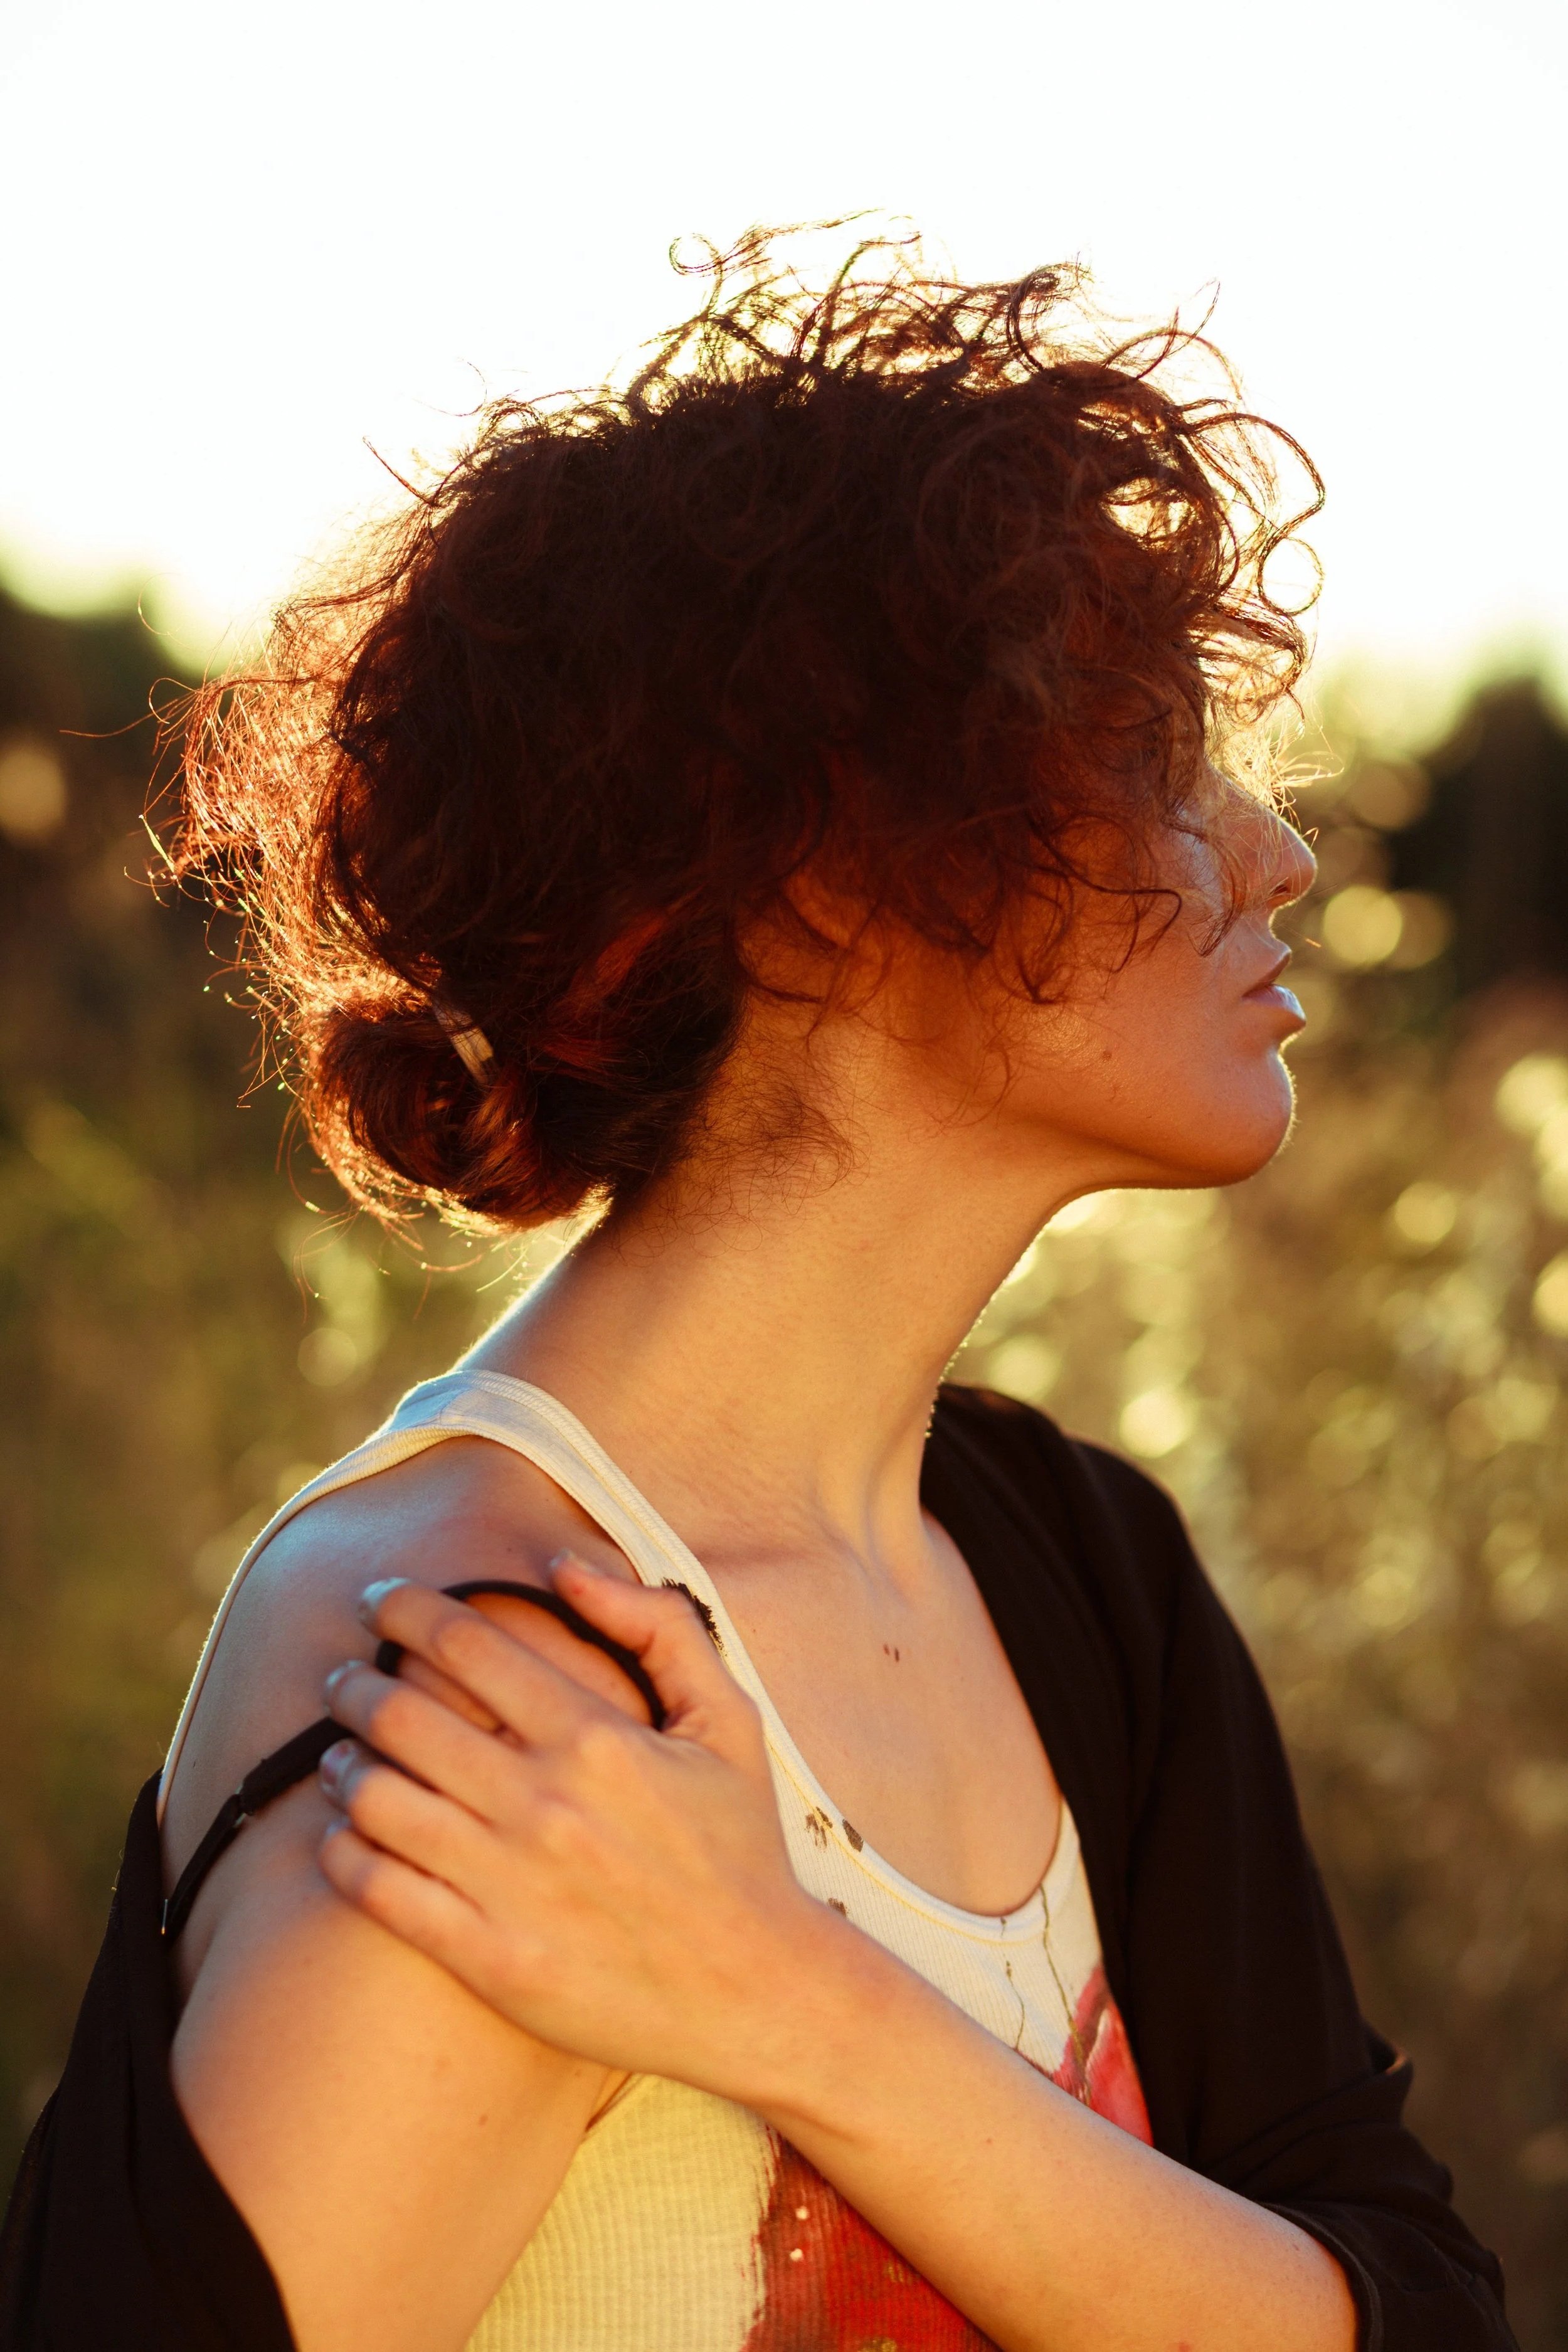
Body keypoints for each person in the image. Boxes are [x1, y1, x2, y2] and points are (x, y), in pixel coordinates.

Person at [1, 230, 1512, 2352]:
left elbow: (1411, 2307)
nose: (1273, 856)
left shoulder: (1080, 1572)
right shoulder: (496, 1716)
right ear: (824, 871)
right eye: (1156, 755)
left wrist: (791, 2003)